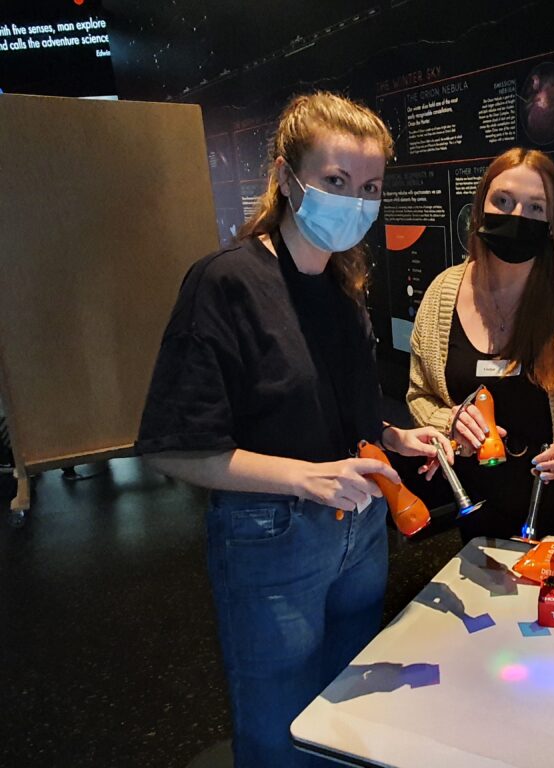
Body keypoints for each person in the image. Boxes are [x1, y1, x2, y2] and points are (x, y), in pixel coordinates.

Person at [136, 92, 452, 768]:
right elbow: (175, 447)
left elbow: (331, 406)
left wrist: (397, 436)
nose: (355, 201)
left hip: (360, 532)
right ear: (287, 178)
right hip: (271, 539)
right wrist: (302, 477)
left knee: (344, 723)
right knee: (280, 738)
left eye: (368, 188)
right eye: (336, 182)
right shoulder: (225, 284)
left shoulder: (342, 291)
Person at [408, 147, 554, 544]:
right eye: (503, 201)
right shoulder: (442, 292)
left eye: (535, 207)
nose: (517, 217)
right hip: (480, 516)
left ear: (553, 221)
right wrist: (449, 423)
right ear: (480, 207)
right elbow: (419, 394)